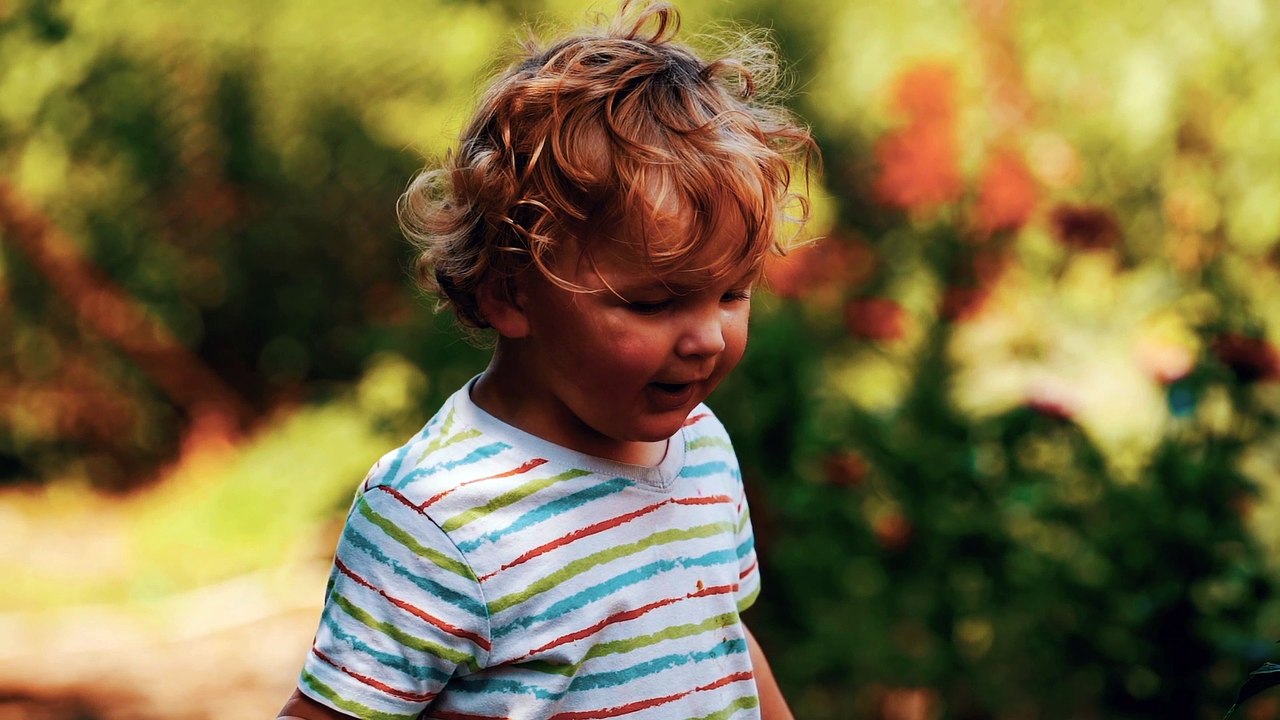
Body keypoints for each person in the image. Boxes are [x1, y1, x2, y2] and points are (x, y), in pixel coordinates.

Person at [278, 1, 816, 717]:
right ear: (510, 291)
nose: (708, 339)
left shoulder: (701, 448)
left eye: (732, 293)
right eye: (653, 303)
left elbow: (724, 641)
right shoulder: (437, 514)